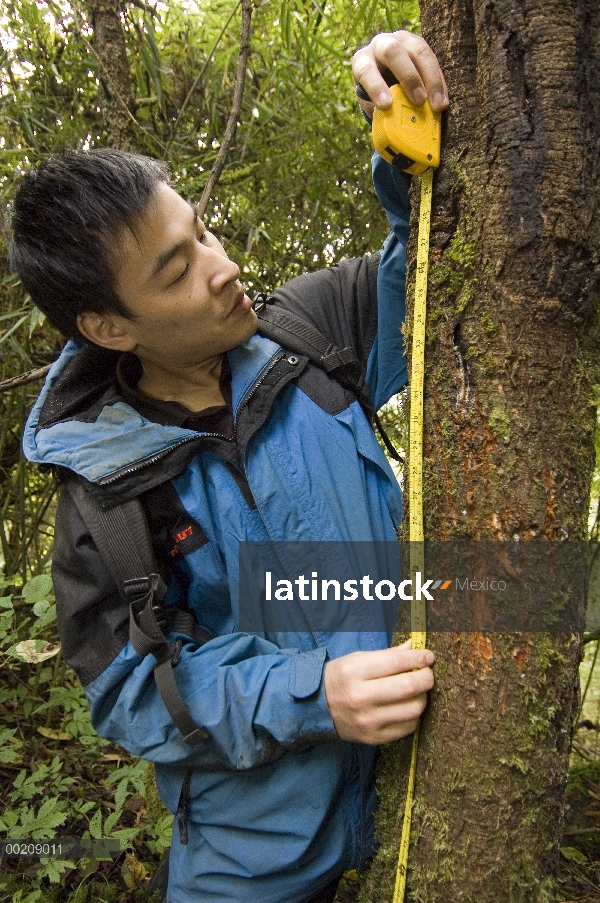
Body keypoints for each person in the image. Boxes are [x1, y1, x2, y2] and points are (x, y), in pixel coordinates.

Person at [12, 30, 448, 903]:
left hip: (425, 803)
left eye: (204, 232)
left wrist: (399, 102)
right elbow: (131, 688)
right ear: (109, 326)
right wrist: (313, 695)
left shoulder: (311, 338)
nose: (224, 269)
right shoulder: (106, 496)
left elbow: (434, 269)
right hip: (255, 868)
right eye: (179, 269)